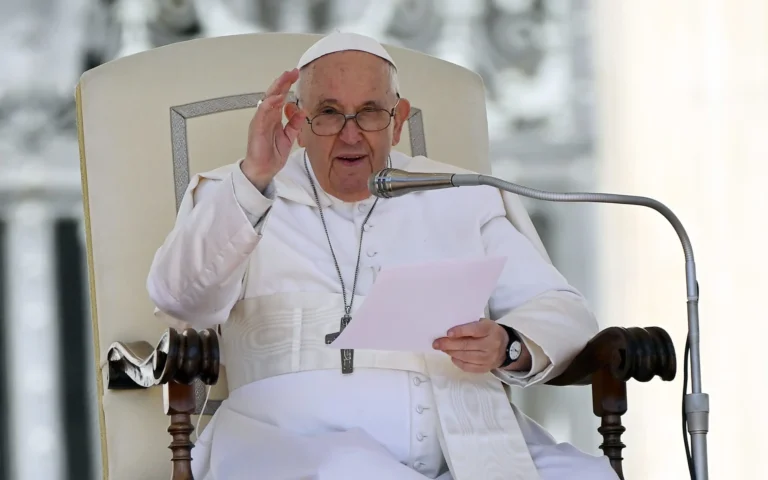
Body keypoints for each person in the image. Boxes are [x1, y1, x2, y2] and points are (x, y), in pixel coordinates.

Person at [147, 32, 619, 480]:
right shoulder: (242, 194)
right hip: (291, 444)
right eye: (329, 113)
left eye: (370, 113)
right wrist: (254, 177)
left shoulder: (460, 194)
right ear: (299, 121)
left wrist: (510, 345)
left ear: (398, 121)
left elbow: (562, 308)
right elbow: (179, 298)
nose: (351, 135)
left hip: (470, 436)